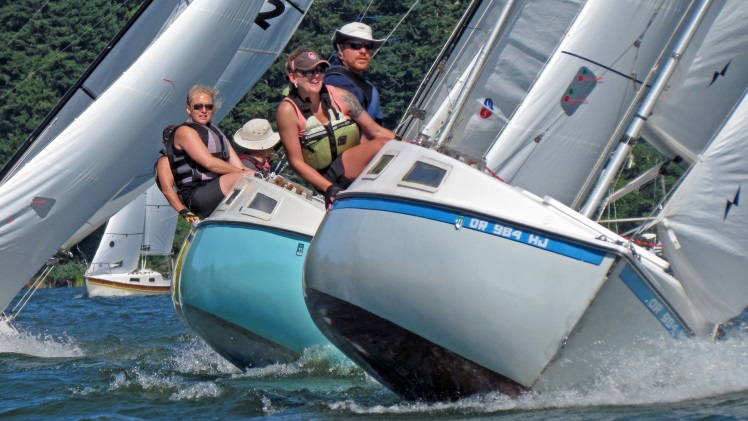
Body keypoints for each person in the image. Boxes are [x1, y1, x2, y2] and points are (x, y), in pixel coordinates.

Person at [276, 48, 398, 208]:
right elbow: (296, 161)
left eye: (319, 70)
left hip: (351, 162)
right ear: (293, 77)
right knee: (382, 145)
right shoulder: (288, 111)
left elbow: (376, 131)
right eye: (308, 72)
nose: (316, 76)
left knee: (391, 145)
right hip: (327, 176)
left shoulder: (341, 96)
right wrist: (329, 189)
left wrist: (408, 146)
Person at [166, 85, 256, 219]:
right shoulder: (184, 132)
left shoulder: (217, 134)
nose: (204, 110)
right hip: (197, 195)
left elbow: (240, 167)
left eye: (208, 107)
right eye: (198, 106)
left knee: (258, 179)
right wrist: (244, 173)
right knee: (248, 177)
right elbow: (209, 163)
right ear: (189, 109)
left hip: (218, 187)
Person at [325, 22, 385, 125]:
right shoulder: (336, 81)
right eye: (355, 45)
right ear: (340, 50)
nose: (363, 51)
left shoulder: (364, 85)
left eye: (368, 46)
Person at [155, 125, 199, 223]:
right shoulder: (165, 161)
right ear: (164, 142)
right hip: (194, 201)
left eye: (175, 138)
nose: (172, 142)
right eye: (169, 140)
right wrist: (183, 211)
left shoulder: (189, 156)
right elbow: (167, 189)